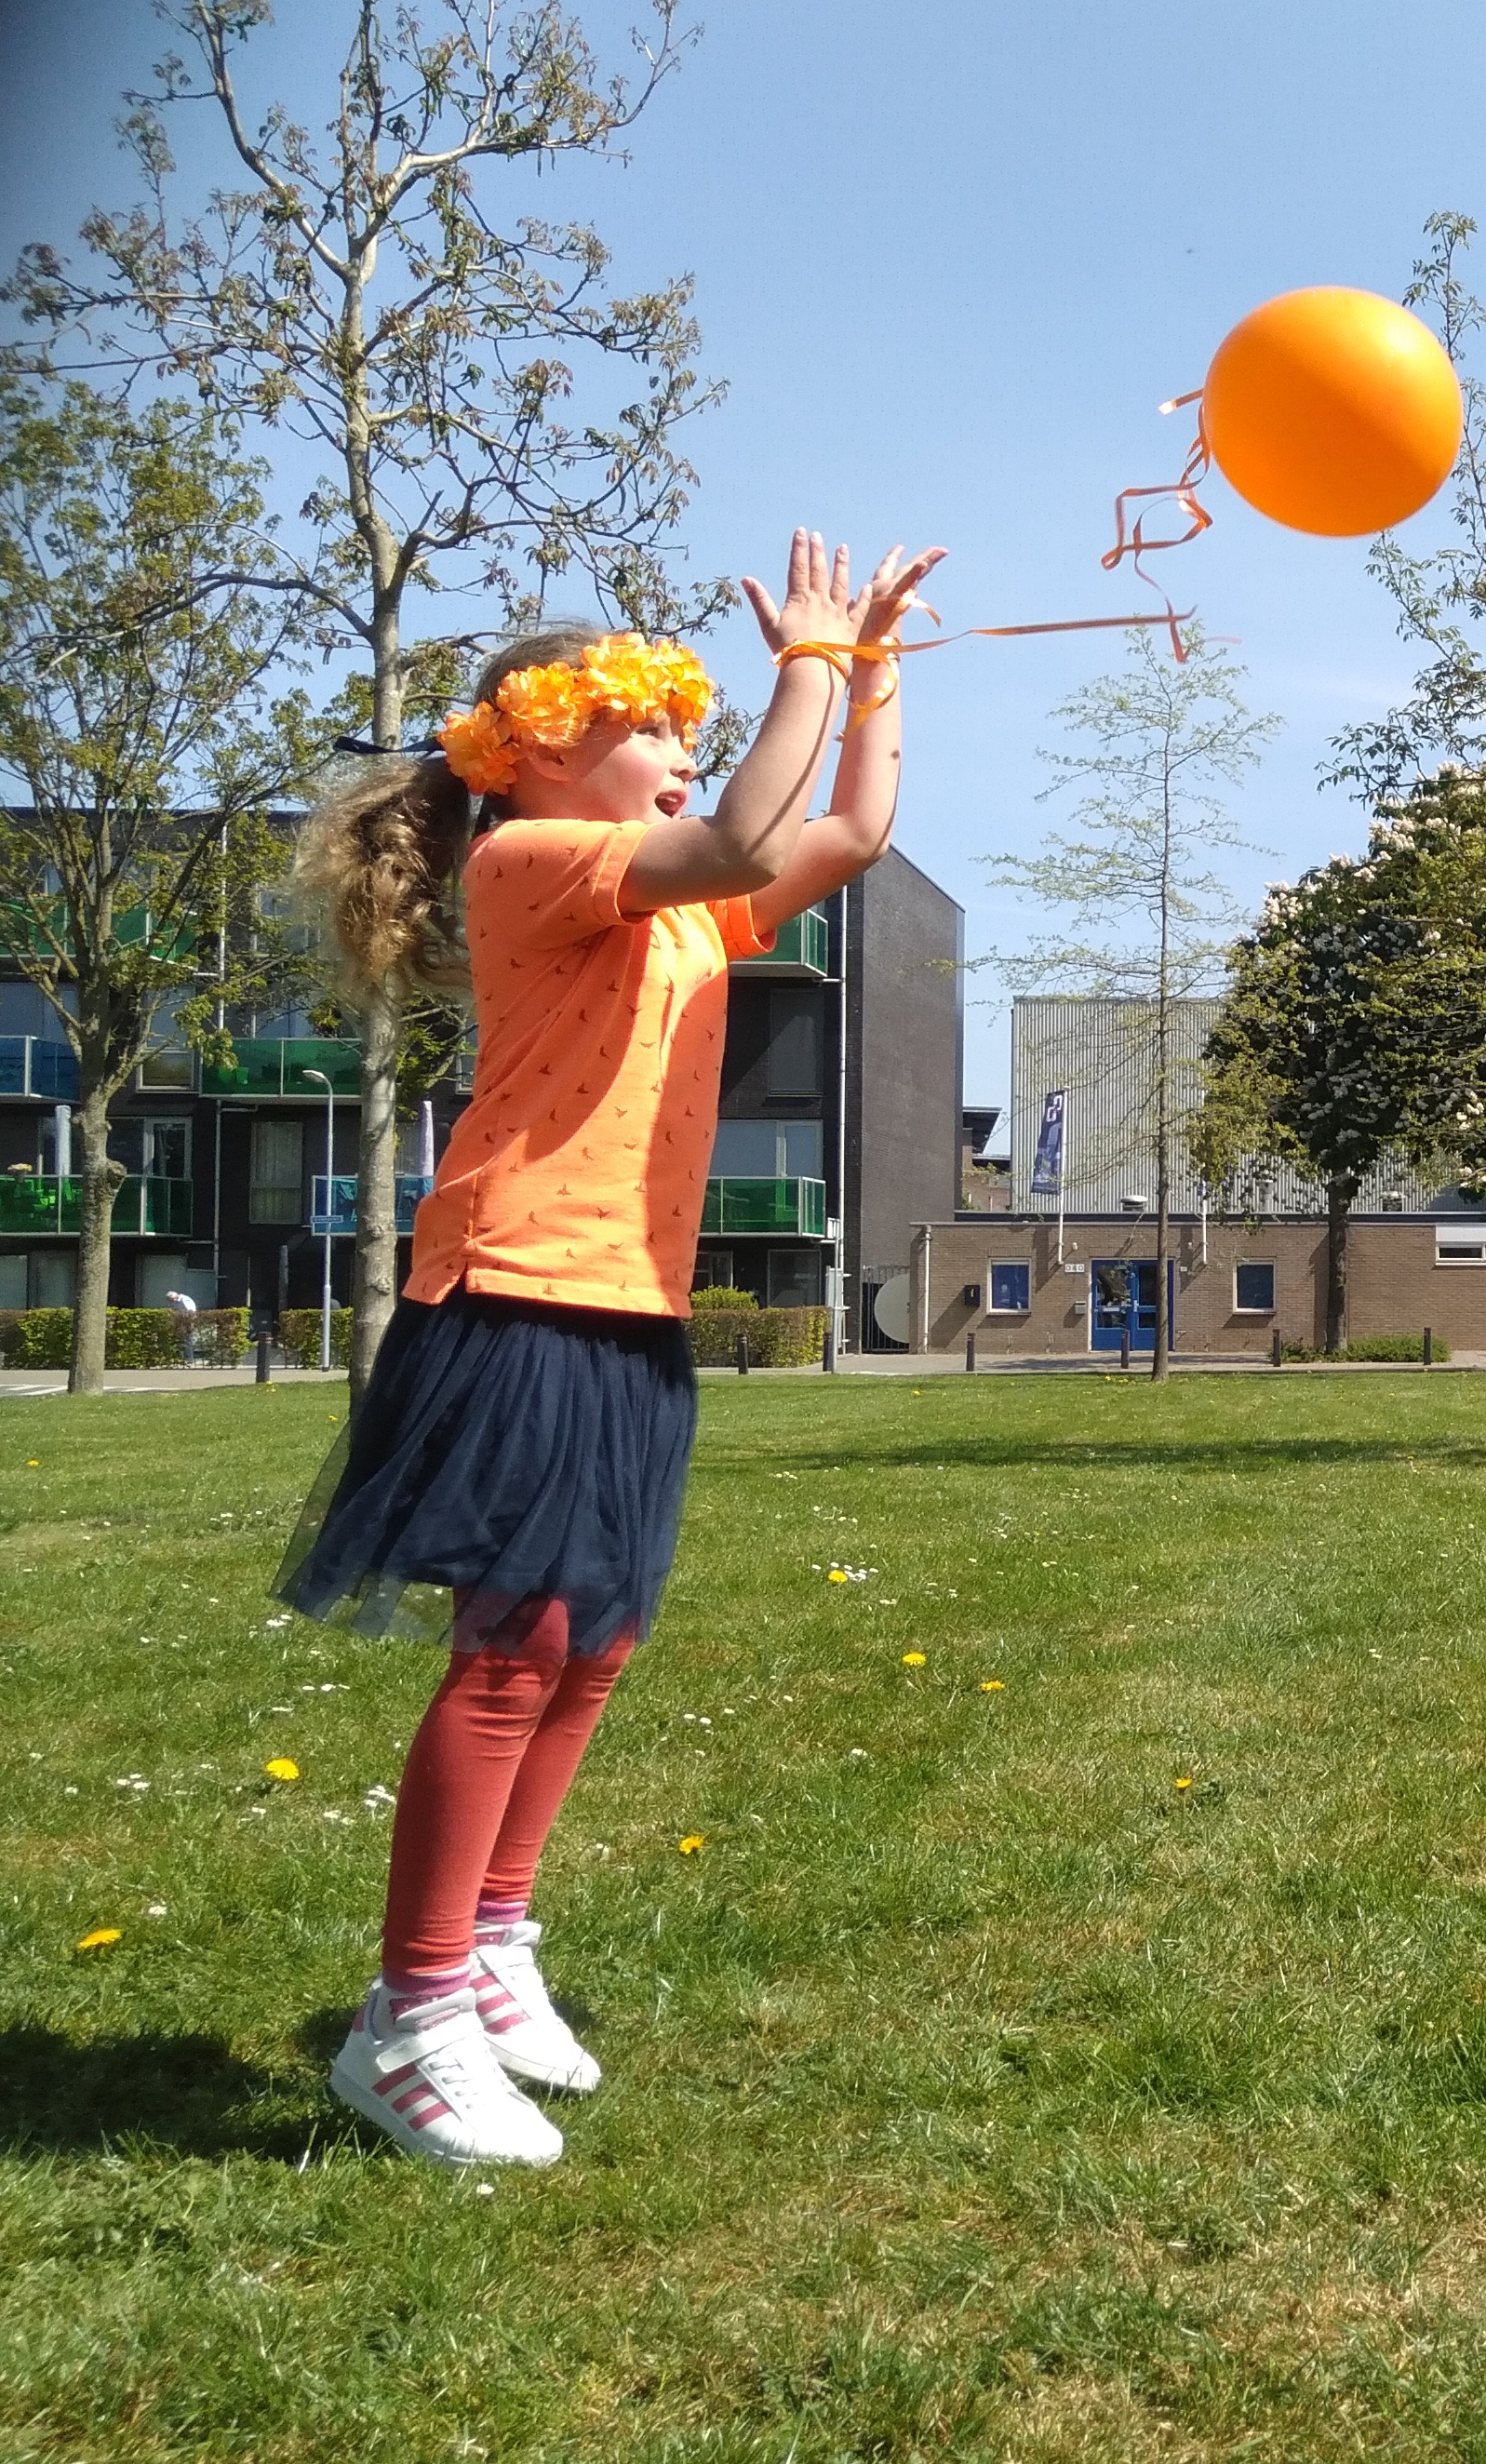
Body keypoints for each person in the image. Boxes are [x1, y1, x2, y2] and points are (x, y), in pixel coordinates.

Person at [279, 531, 942, 2164]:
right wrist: (798, 664)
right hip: (514, 1293)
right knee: (508, 1652)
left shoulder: (679, 915)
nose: (687, 755)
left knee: (592, 1640)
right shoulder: (530, 864)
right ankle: (410, 2018)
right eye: (657, 726)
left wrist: (868, 671)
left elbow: (846, 828)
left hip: (625, 1306)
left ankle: (494, 1943)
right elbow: (734, 837)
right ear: (548, 751)